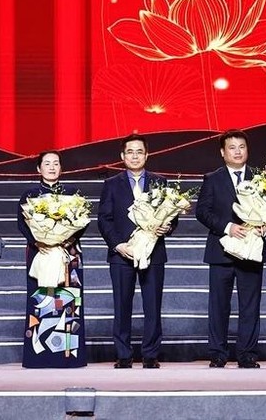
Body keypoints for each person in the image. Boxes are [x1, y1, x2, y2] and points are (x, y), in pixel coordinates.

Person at [98, 134, 175, 369]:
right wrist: (118, 245)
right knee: (122, 305)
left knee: (153, 305)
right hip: (123, 254)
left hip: (153, 253)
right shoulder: (111, 184)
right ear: (122, 156)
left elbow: (173, 216)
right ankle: (123, 354)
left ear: (147, 155)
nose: (134, 156)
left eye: (139, 151)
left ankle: (151, 354)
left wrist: (167, 226)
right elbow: (104, 219)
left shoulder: (160, 182)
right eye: (130, 152)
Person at [196, 129, 266, 368]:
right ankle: (218, 353)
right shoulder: (212, 179)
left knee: (250, 305)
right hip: (221, 251)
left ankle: (247, 354)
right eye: (232, 148)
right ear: (223, 152)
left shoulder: (260, 179)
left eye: (242, 147)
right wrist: (228, 227)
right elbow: (202, 212)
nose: (237, 152)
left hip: (251, 250)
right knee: (218, 305)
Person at [17, 151, 86, 368]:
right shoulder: (30, 195)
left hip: (68, 254)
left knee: (67, 300)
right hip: (42, 253)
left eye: (56, 163)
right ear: (39, 169)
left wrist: (68, 237)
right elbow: (22, 223)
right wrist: (39, 242)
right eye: (47, 163)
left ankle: (67, 356)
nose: (52, 167)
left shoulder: (73, 194)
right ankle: (39, 355)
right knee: (42, 299)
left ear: (61, 168)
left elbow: (82, 222)